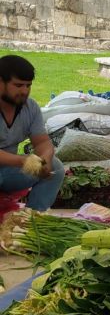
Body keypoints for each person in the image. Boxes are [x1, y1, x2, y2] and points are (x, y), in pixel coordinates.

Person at [0, 55, 64, 211]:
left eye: (28, 85)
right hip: (11, 165)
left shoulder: (30, 107)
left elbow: (42, 142)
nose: (24, 91)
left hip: (7, 172)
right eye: (18, 85)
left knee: (56, 167)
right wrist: (22, 160)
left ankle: (31, 219)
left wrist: (46, 159)